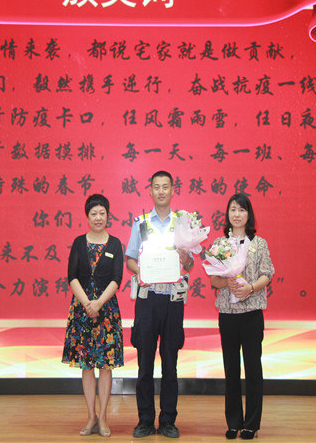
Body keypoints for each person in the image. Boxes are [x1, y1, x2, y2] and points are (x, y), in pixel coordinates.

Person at [126, 170, 194, 439]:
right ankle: (144, 420)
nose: (162, 191)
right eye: (157, 187)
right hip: (147, 300)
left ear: (173, 190)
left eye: (166, 186)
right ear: (150, 191)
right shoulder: (141, 223)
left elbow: (190, 265)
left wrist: (185, 257)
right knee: (144, 363)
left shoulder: (183, 224)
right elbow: (131, 259)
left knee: (170, 363)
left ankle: (167, 421)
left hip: (173, 301)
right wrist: (140, 272)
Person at [209, 193, 275, 440]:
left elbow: (267, 274)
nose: (237, 214)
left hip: (252, 313)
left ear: (249, 215)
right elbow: (214, 280)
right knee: (231, 368)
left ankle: (252, 424)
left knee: (253, 368)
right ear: (227, 214)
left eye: (242, 210)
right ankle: (234, 422)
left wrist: (251, 288)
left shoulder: (259, 244)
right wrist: (225, 281)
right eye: (233, 209)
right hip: (227, 314)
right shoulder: (220, 244)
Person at [62, 193, 124, 438]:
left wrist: (99, 303)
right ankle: (91, 417)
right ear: (87, 217)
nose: (98, 217)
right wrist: (88, 303)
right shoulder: (79, 242)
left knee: (106, 366)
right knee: (87, 366)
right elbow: (72, 276)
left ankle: (104, 417)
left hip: (107, 311)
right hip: (82, 311)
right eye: (93, 213)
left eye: (102, 213)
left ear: (108, 216)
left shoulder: (115, 244)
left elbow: (117, 279)